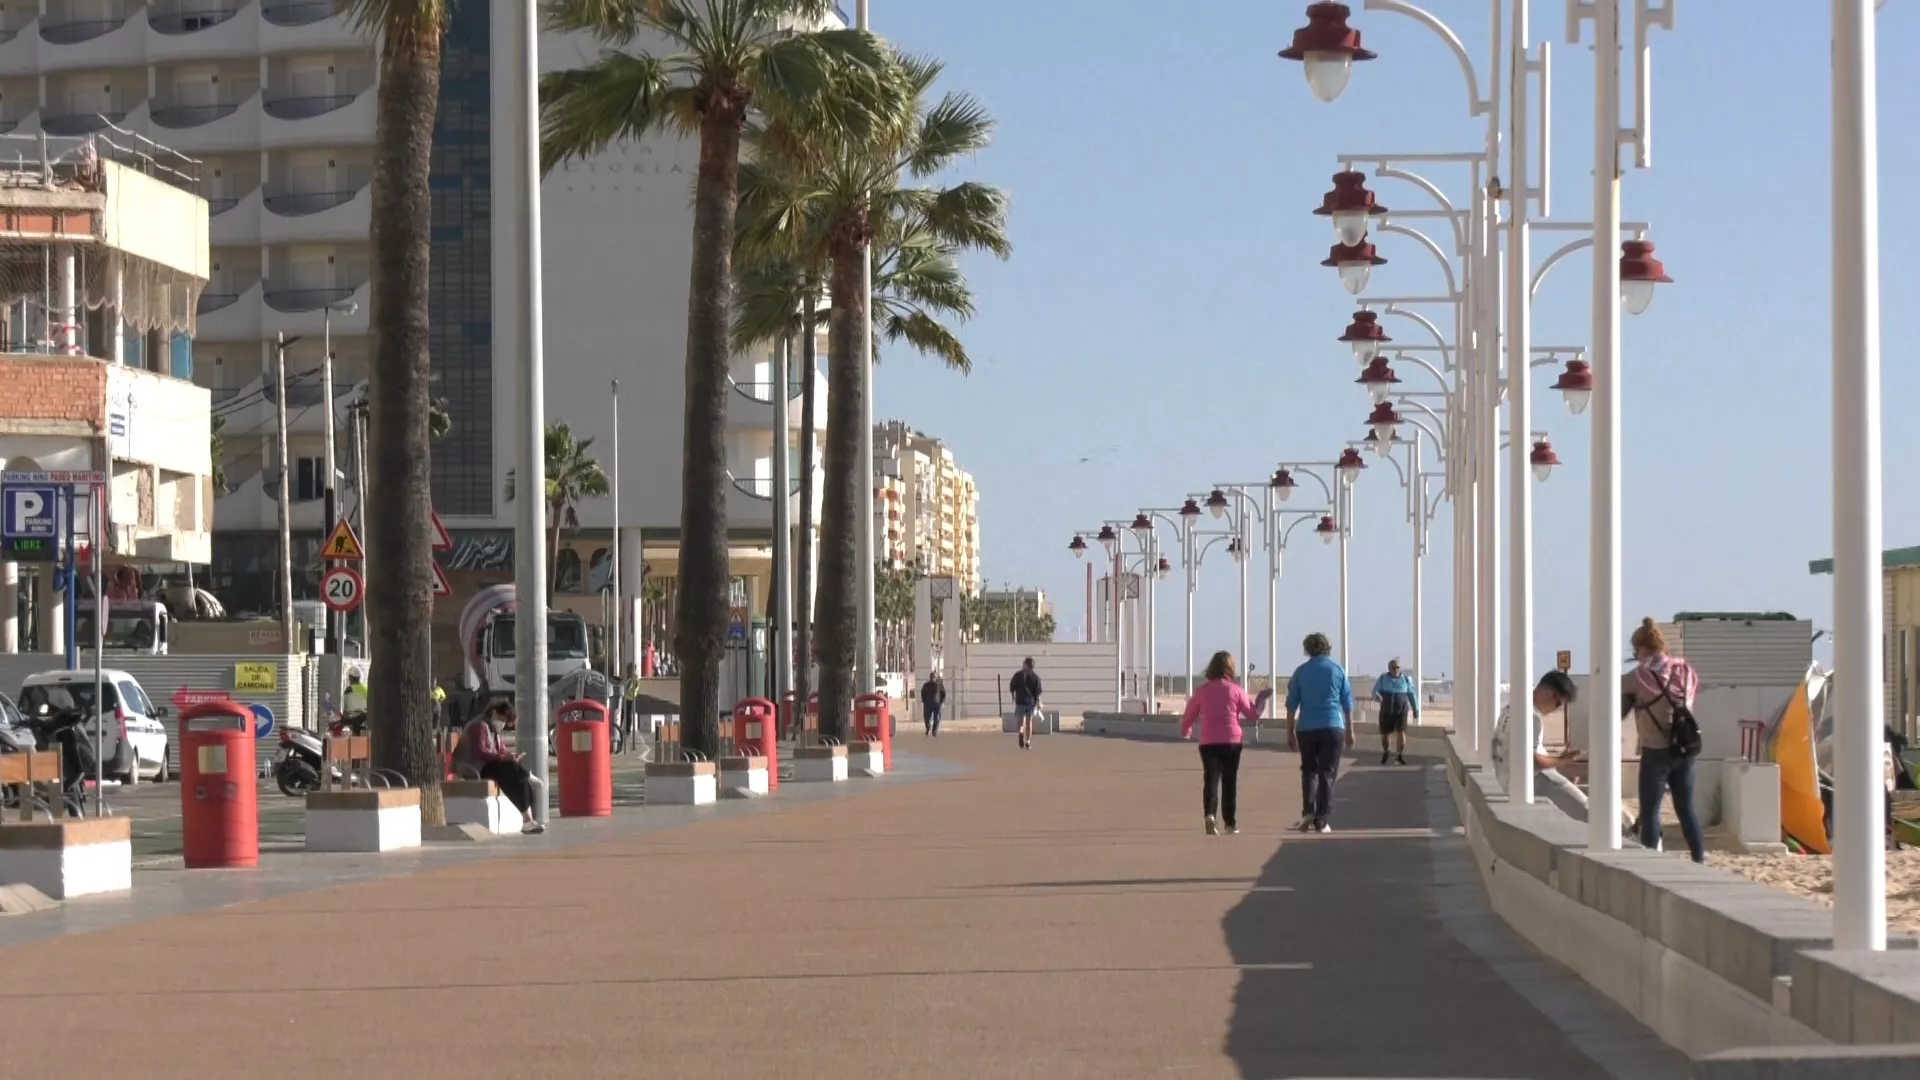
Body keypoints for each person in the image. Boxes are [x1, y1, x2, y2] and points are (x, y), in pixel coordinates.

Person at [1625, 617, 1705, 862]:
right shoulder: (1686, 671)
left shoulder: (1638, 676)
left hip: (1655, 751)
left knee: (1650, 813)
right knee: (1686, 811)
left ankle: (1651, 863)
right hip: (1685, 748)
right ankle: (1699, 861)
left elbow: (1616, 704)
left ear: (1640, 648)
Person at [1180, 651, 1270, 836]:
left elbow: (1190, 714)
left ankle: (1210, 815)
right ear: (1230, 668)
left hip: (1208, 741)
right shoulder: (1235, 690)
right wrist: (1261, 698)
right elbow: (1253, 714)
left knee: (1210, 779)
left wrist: (1186, 730)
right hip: (1232, 741)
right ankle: (1230, 823)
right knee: (1230, 781)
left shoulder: (1202, 691)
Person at [1490, 671, 1594, 822]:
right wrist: (1561, 760)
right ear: (1547, 693)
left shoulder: (1510, 709)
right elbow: (1531, 760)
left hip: (1508, 780)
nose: (1556, 708)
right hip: (1532, 780)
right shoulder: (1531, 718)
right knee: (1588, 810)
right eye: (1558, 703)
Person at [1284, 632, 1353, 833]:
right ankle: (1321, 820)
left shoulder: (1300, 672)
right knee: (1328, 773)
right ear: (1327, 648)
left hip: (1306, 728)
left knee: (1308, 771)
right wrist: (1351, 731)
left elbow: (1291, 706)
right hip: (1332, 726)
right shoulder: (1337, 670)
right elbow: (1347, 703)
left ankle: (1308, 811)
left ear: (1307, 649)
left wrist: (1289, 734)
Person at [453, 700, 546, 835]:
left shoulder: (493, 728)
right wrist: (503, 758)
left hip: (488, 766)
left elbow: (501, 750)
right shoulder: (479, 726)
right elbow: (481, 753)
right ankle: (527, 777)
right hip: (476, 768)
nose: (502, 724)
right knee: (512, 772)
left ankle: (528, 821)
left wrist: (511, 756)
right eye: (502, 720)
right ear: (495, 713)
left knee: (519, 780)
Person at [1371, 658, 1419, 765]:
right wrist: (1378, 697)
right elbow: (1375, 691)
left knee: (1401, 732)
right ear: (1389, 668)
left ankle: (1399, 755)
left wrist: (1416, 709)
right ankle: (1386, 751)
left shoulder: (1406, 679)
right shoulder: (1383, 678)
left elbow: (1412, 694)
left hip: (1401, 711)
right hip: (1386, 711)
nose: (1396, 670)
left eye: (1397, 667)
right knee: (1385, 733)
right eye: (1393, 668)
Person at [1009, 658, 1043, 750]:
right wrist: (1039, 702)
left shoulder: (1018, 675)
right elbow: (1038, 692)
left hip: (1020, 701)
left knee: (1020, 721)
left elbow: (1012, 686)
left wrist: (1013, 696)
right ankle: (1028, 742)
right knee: (1029, 722)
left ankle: (1020, 732)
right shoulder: (1035, 677)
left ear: (1026, 665)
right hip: (1031, 703)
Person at [920, 671, 947, 737]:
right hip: (934, 703)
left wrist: (941, 701)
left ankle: (931, 728)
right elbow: (943, 693)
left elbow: (922, 693)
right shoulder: (938, 685)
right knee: (934, 717)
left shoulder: (927, 685)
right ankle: (932, 729)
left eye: (933, 677)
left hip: (931, 703)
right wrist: (941, 701)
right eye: (932, 677)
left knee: (929, 717)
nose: (932, 678)